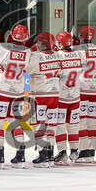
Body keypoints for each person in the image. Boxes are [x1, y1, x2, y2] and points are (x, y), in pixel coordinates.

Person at [0, 24, 32, 169]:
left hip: (2, 89)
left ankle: (0, 155)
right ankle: (21, 154)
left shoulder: (3, 47)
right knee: (15, 122)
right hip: (17, 91)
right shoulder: (28, 51)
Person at [25, 32, 63, 167]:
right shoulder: (58, 56)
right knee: (52, 125)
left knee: (38, 125)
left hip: (39, 96)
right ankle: (50, 153)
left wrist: (30, 50)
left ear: (41, 44)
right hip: (54, 94)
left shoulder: (37, 57)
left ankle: (42, 154)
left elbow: (25, 68)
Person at [53, 31, 85, 165]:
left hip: (62, 96)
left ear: (60, 43)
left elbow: (54, 72)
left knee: (60, 125)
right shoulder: (79, 54)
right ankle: (74, 151)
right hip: (75, 96)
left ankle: (62, 152)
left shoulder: (58, 56)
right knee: (73, 125)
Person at [73, 26, 96, 163]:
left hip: (83, 88)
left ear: (81, 36)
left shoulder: (79, 50)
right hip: (95, 89)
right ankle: (91, 151)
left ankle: (83, 151)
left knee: (81, 121)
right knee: (92, 121)